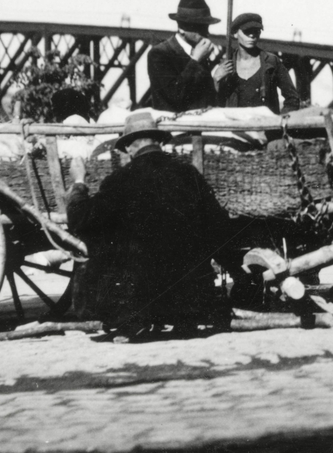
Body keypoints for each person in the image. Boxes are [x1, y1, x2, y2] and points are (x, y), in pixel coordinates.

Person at [66, 111, 240, 336]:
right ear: (159, 142)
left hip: (138, 303)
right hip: (192, 302)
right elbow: (221, 228)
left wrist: (79, 182)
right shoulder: (189, 174)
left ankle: (128, 317)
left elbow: (80, 220)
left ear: (129, 147)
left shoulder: (118, 181)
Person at [140, 0, 221, 113]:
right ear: (182, 28)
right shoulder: (159, 54)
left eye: (206, 26)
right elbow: (174, 95)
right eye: (199, 27)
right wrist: (195, 61)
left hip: (197, 126)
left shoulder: (199, 53)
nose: (206, 32)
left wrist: (216, 80)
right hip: (172, 128)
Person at [212, 13, 301, 112]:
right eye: (247, 31)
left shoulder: (271, 62)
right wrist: (216, 80)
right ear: (235, 33)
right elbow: (216, 105)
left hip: (265, 126)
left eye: (256, 31)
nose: (252, 35)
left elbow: (293, 98)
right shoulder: (226, 66)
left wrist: (279, 121)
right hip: (236, 126)